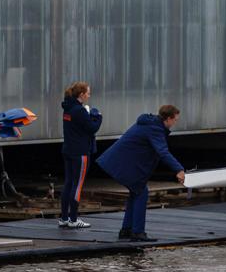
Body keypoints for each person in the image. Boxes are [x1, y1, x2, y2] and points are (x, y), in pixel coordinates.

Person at [96, 105, 186, 242]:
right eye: (175, 120)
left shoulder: (151, 123)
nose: (175, 123)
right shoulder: (155, 129)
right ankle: (137, 232)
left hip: (121, 161)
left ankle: (126, 230)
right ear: (168, 119)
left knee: (136, 191)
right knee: (141, 192)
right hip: (124, 163)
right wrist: (179, 169)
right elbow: (162, 151)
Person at [59, 81, 102, 229]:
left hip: (68, 150)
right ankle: (74, 219)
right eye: (88, 93)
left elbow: (79, 126)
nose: (89, 95)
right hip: (80, 152)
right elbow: (92, 128)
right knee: (77, 186)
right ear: (81, 94)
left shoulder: (67, 109)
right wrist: (98, 117)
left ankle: (64, 218)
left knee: (68, 183)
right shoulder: (80, 111)